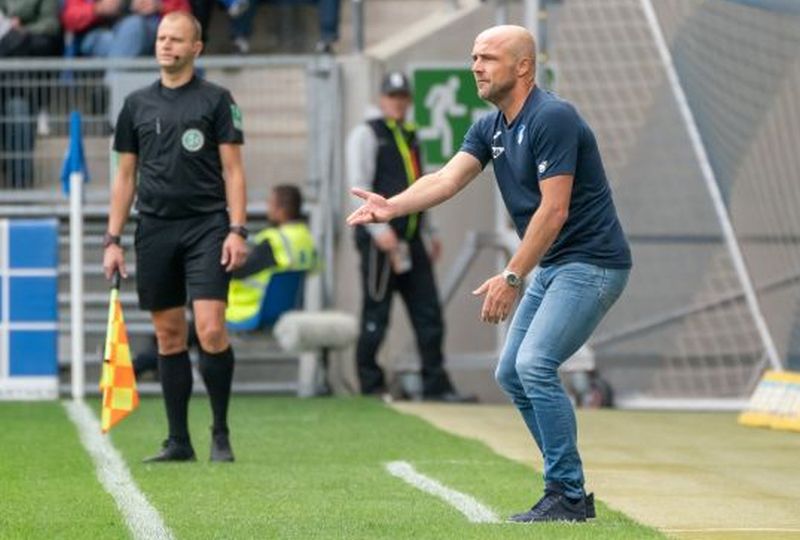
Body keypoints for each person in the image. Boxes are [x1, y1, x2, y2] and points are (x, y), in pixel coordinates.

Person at [348, 25, 631, 523]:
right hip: (556, 265)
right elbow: (445, 178)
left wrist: (512, 276)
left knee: (534, 365)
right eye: (474, 57)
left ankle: (566, 493)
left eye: (488, 58)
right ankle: (567, 489)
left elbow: (554, 211)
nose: (476, 67)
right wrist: (391, 206)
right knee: (511, 372)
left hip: (592, 263)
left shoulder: (553, 117)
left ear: (523, 66)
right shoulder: (491, 127)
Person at [103, 11, 248, 463]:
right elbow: (124, 177)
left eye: (176, 39)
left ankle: (220, 431)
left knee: (210, 329)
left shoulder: (217, 100)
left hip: (207, 226)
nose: (166, 45)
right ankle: (178, 441)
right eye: (162, 38)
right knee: (168, 335)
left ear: (196, 48)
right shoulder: (136, 105)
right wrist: (112, 239)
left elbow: (234, 170)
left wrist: (237, 229)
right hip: (155, 228)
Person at [346, 71, 472, 403]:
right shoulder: (367, 134)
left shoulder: (411, 134)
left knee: (429, 313)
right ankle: (371, 386)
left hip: (412, 240)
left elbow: (423, 185)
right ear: (381, 99)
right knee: (376, 313)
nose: (398, 103)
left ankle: (436, 385)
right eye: (392, 96)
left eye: (403, 97)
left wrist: (431, 231)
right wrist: (379, 231)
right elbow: (357, 186)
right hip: (380, 242)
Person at [226, 184, 317, 325]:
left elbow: (238, 270)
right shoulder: (305, 236)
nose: (268, 208)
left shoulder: (274, 241)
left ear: (282, 209)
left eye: (270, 203)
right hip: (290, 308)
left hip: (248, 310)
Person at [1, 0, 61, 188]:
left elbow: (51, 26)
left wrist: (18, 31)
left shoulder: (24, 32)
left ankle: (20, 186)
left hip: (13, 85)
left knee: (18, 111)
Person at [61, 0, 189, 57]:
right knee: (117, 39)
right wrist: (98, 9)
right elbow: (69, 19)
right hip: (99, 35)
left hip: (148, 33)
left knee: (133, 26)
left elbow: (186, 20)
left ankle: (109, 93)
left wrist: (159, 7)